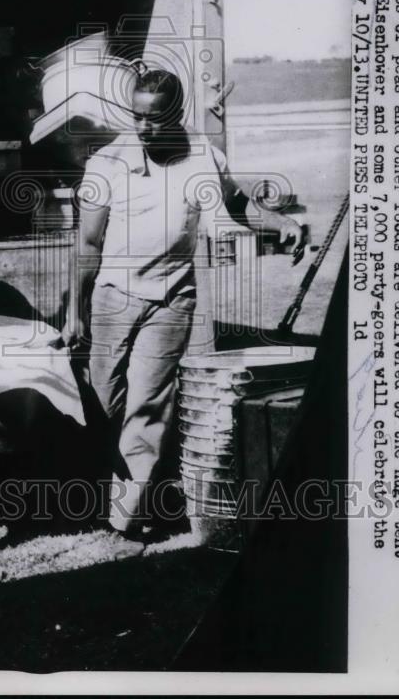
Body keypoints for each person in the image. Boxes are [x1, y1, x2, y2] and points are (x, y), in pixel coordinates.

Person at [62, 68, 306, 543]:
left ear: (174, 113)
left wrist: (280, 222)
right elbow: (87, 243)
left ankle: (126, 519)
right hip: (114, 295)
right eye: (137, 116)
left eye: (154, 117)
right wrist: (76, 310)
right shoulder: (107, 163)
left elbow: (236, 207)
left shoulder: (202, 156)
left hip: (173, 297)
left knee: (148, 402)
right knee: (103, 395)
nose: (144, 126)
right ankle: (127, 486)